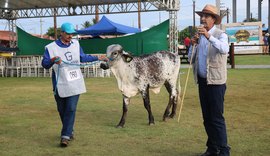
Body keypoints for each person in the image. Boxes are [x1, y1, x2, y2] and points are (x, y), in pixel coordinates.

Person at [41, 22, 106, 147]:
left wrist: (98, 58)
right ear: (62, 33)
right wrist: (53, 59)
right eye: (68, 34)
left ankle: (65, 137)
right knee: (62, 110)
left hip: (75, 83)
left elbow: (83, 57)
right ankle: (69, 130)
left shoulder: (76, 44)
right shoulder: (50, 47)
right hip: (59, 84)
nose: (71, 36)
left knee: (71, 108)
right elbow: (45, 64)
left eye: (72, 34)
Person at [188, 4, 230, 156]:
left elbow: (224, 49)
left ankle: (224, 151)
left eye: (206, 16)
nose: (203, 18)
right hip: (202, 82)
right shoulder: (198, 37)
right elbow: (190, 59)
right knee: (207, 118)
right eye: (202, 16)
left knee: (216, 118)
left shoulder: (221, 35)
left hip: (216, 83)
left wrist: (208, 36)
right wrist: (192, 45)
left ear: (213, 19)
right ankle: (212, 148)